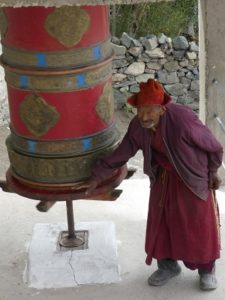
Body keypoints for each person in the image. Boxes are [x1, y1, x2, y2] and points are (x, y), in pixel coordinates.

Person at [86, 79, 223, 291]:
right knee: (162, 223)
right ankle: (168, 266)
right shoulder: (137, 126)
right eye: (140, 111)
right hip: (163, 178)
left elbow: (213, 146)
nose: (144, 117)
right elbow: (122, 153)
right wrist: (97, 176)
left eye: (150, 112)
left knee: (198, 225)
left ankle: (206, 270)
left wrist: (213, 171)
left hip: (193, 178)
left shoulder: (184, 119)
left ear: (161, 109)